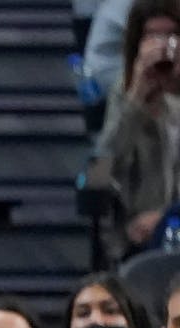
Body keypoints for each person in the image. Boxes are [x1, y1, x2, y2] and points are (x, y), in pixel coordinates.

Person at [96, 0, 180, 254]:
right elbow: (98, 172)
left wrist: (166, 217)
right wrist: (135, 101)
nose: (163, 46)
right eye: (152, 36)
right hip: (137, 238)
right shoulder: (124, 94)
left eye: (172, 35)